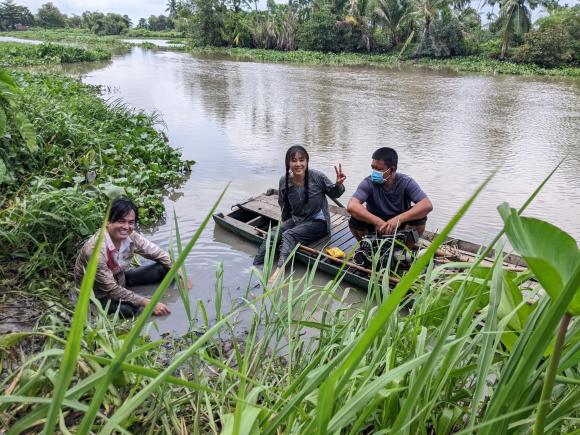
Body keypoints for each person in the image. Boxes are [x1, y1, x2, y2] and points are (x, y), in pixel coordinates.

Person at [254, 145, 346, 280]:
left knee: (289, 235)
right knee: (275, 232)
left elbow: (335, 193)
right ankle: (255, 265)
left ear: (307, 161)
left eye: (301, 160)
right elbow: (283, 204)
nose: (298, 164)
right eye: (294, 160)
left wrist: (338, 184)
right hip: (298, 219)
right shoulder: (284, 180)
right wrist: (285, 222)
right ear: (288, 163)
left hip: (318, 221)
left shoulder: (317, 177)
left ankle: (278, 273)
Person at [74, 198, 172, 317]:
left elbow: (158, 253)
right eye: (121, 221)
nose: (126, 227)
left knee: (165, 269)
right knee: (131, 311)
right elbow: (112, 290)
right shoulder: (95, 251)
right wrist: (149, 303)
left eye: (131, 222)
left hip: (120, 280)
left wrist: (181, 275)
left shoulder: (131, 236)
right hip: (98, 295)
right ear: (108, 222)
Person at [347, 147, 433, 242]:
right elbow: (352, 206)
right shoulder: (368, 183)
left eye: (379, 169)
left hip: (400, 225)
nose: (374, 172)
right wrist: (378, 222)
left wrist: (398, 220)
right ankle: (367, 248)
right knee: (355, 220)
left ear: (392, 169)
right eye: (373, 168)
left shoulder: (406, 182)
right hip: (375, 224)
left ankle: (407, 249)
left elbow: (427, 205)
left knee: (420, 218)